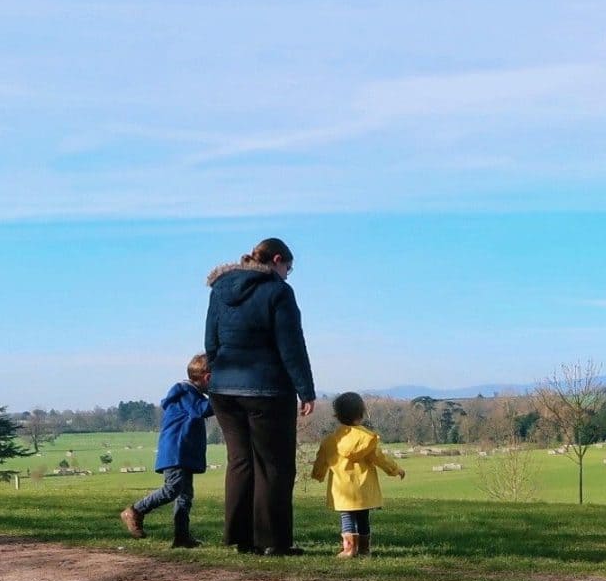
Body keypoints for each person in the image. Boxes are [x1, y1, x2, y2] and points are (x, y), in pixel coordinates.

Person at [204, 238, 316, 555]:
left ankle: (241, 538)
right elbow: (291, 345)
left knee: (240, 462)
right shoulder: (278, 291)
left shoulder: (219, 290)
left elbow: (210, 341)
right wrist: (305, 389)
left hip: (224, 390)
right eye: (287, 268)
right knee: (274, 466)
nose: (287, 275)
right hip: (267, 390)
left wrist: (220, 374)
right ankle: (274, 541)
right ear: (276, 260)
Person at [119, 353, 213, 548]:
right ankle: (136, 510)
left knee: (185, 495)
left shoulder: (191, 393)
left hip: (183, 452)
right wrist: (224, 397)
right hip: (176, 451)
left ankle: (182, 537)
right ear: (207, 377)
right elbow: (201, 410)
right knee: (172, 489)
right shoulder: (185, 391)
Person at [310, 392, 405, 557]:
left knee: (347, 518)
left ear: (337, 415)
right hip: (364, 490)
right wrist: (395, 470)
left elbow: (321, 460)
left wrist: (318, 475)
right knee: (363, 519)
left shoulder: (330, 441)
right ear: (361, 414)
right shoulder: (367, 440)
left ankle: (349, 549)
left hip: (342, 490)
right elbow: (380, 459)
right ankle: (364, 549)